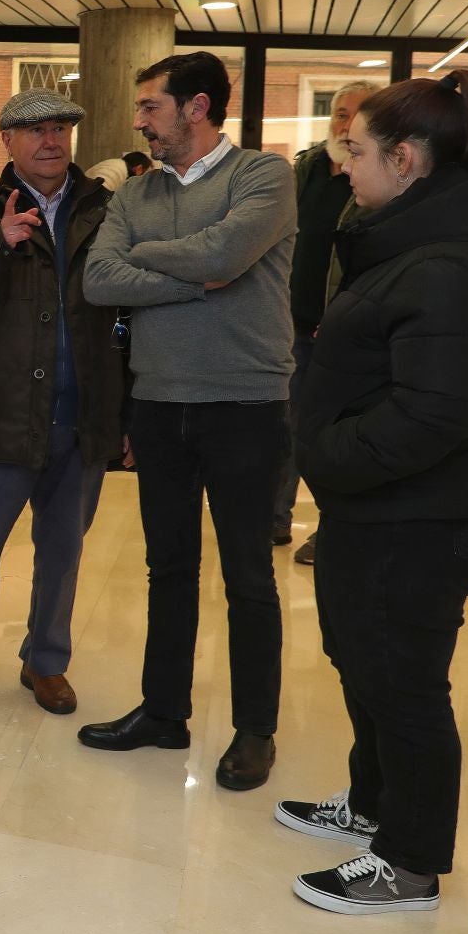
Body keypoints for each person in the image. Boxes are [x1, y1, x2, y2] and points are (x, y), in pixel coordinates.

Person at [278, 71, 468, 914]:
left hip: (421, 512)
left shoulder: (446, 262)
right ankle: (373, 804)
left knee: (401, 682)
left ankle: (408, 864)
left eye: (356, 151)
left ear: (406, 159)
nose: (344, 167)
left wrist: (327, 455)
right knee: (365, 660)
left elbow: (436, 411)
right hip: (389, 505)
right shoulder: (424, 241)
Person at [79, 51, 295, 791]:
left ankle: (255, 730)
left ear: (197, 106)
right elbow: (100, 278)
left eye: (150, 106)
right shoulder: (137, 191)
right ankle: (164, 712)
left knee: (248, 576)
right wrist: (202, 279)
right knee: (167, 567)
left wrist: (157, 261)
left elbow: (229, 249)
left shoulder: (263, 176)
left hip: (245, 403)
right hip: (159, 401)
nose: (139, 120)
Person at [0, 90, 125, 722]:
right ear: (7, 140)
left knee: (62, 555)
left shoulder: (106, 213)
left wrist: (123, 416)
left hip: (80, 417)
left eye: (60, 128)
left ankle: (45, 660)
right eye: (35, 130)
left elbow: (128, 315)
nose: (51, 140)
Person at [278, 81, 379, 561]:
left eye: (357, 115)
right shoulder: (306, 170)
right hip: (292, 327)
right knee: (285, 427)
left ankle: (333, 528)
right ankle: (274, 520)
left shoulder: (377, 179)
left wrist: (343, 314)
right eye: (340, 113)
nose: (345, 124)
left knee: (334, 434)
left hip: (347, 333)